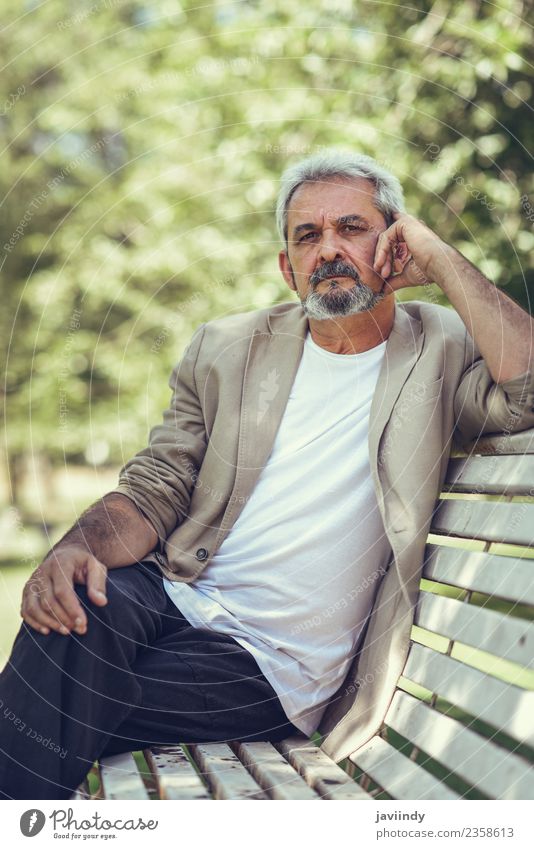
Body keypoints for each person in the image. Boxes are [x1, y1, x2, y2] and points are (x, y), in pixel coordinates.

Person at [1, 150, 533, 800]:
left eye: (352, 227)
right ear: (288, 267)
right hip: (174, 592)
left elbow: (529, 389)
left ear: (394, 240)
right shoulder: (226, 349)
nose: (329, 249)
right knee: (70, 608)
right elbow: (153, 488)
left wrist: (443, 260)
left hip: (270, 664)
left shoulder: (440, 344)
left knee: (47, 692)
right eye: (307, 236)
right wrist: (75, 547)